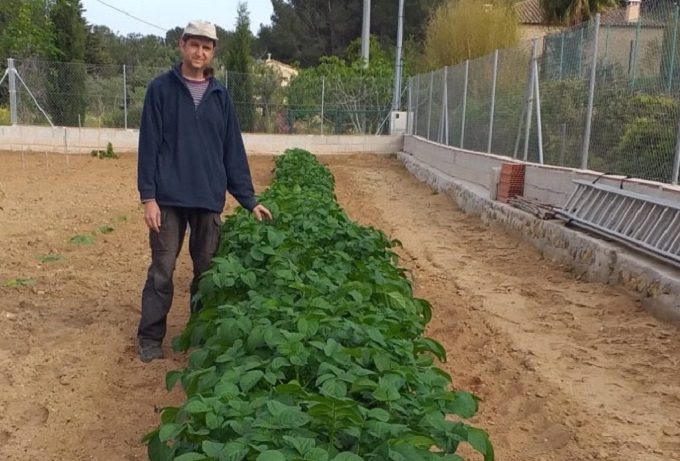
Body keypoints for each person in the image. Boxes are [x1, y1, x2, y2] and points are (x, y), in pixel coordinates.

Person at [135, 20, 272, 363]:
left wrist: (249, 199)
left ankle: (199, 332)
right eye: (194, 44)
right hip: (167, 200)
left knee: (206, 271)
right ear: (182, 45)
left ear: (213, 52)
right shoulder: (161, 89)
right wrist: (148, 198)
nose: (200, 52)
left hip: (208, 200)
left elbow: (232, 152)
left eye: (207, 47)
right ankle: (150, 338)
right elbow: (148, 145)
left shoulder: (220, 95)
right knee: (162, 270)